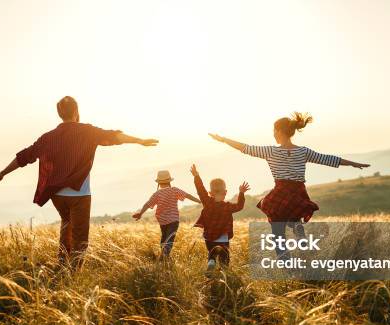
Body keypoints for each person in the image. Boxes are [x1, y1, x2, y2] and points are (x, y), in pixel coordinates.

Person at [0, 96, 158, 268]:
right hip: (80, 195)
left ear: (60, 113)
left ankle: (62, 265)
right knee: (80, 237)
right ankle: (74, 274)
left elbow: (25, 156)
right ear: (76, 111)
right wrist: (139, 141)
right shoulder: (88, 132)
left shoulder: (48, 137)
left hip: (57, 195)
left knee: (66, 225)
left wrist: (2, 173)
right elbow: (113, 136)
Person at [208, 112, 370, 257]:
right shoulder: (303, 151)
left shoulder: (271, 151)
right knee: (293, 218)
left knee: (278, 234)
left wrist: (223, 140)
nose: (273, 134)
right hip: (298, 192)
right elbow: (328, 159)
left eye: (274, 130)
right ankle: (297, 227)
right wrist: (354, 164)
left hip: (280, 192)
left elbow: (245, 148)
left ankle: (288, 263)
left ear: (279, 131)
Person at [189, 164, 249, 273]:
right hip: (222, 236)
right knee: (224, 256)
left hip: (209, 236)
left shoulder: (207, 201)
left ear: (210, 193)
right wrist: (241, 193)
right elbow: (240, 206)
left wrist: (196, 176)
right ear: (225, 193)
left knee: (212, 253)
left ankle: (211, 262)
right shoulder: (228, 207)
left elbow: (200, 189)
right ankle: (223, 272)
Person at [132, 170, 200, 258]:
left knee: (164, 238)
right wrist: (199, 201)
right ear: (169, 181)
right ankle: (165, 255)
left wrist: (140, 213)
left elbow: (147, 204)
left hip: (163, 221)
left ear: (159, 183)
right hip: (173, 220)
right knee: (170, 238)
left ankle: (164, 255)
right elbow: (187, 195)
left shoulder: (157, 194)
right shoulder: (174, 190)